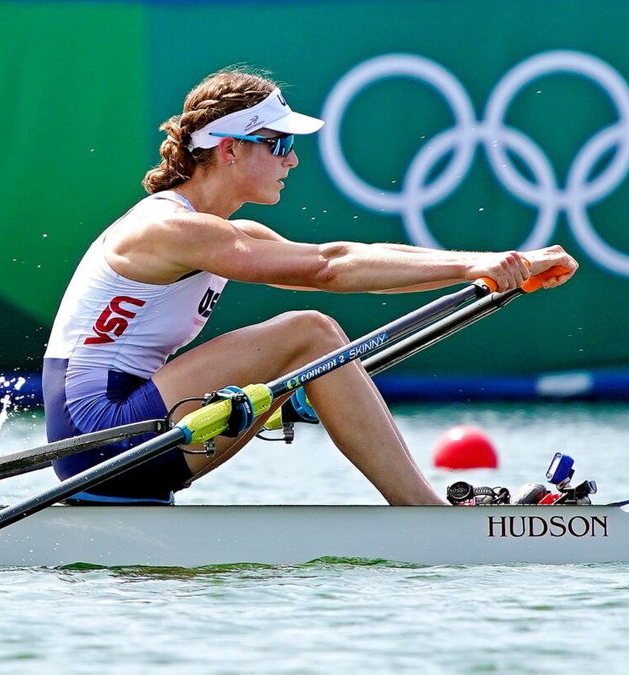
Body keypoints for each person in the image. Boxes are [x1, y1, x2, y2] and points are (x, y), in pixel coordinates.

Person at [43, 67, 578, 506]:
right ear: (229, 149)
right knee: (312, 333)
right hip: (100, 437)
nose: (292, 160)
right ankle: (424, 511)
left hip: (130, 436)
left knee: (313, 349)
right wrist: (479, 265)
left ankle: (407, 494)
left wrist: (488, 266)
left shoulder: (229, 233)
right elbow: (327, 268)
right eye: (279, 144)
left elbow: (353, 260)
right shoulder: (169, 229)